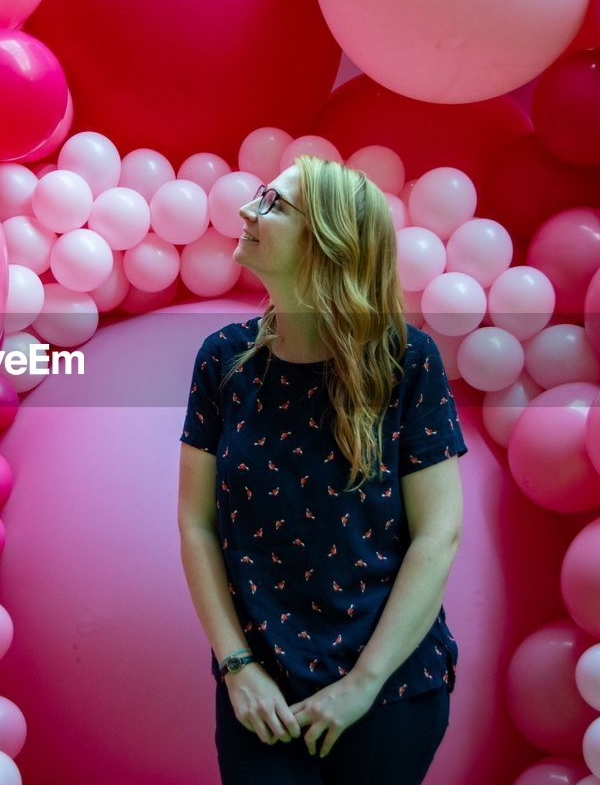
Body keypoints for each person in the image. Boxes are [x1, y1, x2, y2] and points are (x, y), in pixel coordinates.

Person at [176, 155, 467, 784]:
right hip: (262, 700)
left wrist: (363, 683)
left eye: (274, 205)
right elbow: (196, 525)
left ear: (328, 240)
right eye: (258, 196)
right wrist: (236, 666)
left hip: (390, 690)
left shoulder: (407, 361)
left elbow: (437, 534)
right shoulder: (222, 360)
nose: (247, 211)